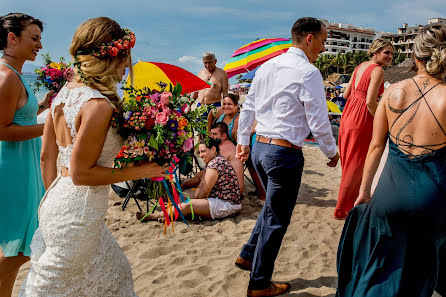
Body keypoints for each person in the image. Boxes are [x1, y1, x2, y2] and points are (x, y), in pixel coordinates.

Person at [18, 17, 168, 296]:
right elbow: (82, 173)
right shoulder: (98, 105)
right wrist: (141, 171)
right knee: (51, 287)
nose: (127, 66)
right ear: (112, 57)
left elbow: (47, 159)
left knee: (114, 271)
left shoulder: (62, 95)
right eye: (126, 58)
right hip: (79, 211)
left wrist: (54, 200)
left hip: (54, 200)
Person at [336, 23, 446, 296]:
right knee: (420, 265)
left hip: (389, 193)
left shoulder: (393, 91)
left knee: (382, 264)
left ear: (414, 56)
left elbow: (375, 147)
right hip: (434, 193)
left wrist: (364, 192)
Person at [235, 17, 339, 297]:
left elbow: (249, 107)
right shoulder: (308, 72)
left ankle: (248, 254)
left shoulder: (267, 66)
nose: (324, 46)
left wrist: (243, 141)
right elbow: (318, 122)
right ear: (309, 38)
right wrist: (331, 152)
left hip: (260, 147)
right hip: (283, 153)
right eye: (323, 39)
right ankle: (259, 283)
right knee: (277, 219)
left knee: (272, 207)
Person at [0, 13, 53, 297]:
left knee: (20, 244)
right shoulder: (6, 76)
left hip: (23, 164)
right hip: (12, 168)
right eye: (34, 38)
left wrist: (42, 107)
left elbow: (18, 119)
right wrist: (47, 127)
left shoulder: (15, 74)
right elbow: (2, 130)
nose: (39, 46)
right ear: (12, 38)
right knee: (22, 246)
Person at [334, 38, 394, 220]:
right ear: (375, 52)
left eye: (392, 53)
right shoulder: (378, 70)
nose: (390, 56)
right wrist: (381, 120)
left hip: (348, 114)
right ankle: (343, 209)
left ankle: (346, 203)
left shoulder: (360, 66)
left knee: (349, 160)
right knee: (358, 162)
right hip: (362, 117)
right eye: (387, 52)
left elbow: (345, 94)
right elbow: (370, 101)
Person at [141, 138, 241, 221]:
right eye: (200, 152)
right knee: (186, 194)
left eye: (203, 151)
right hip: (220, 199)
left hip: (227, 205)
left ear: (213, 149)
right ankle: (174, 214)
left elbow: (204, 192)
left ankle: (157, 216)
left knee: (189, 205)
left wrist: (192, 202)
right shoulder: (216, 160)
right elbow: (199, 181)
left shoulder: (215, 164)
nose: (201, 155)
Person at [209, 121, 244, 193]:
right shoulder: (223, 145)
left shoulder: (225, 149)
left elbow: (209, 171)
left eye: (214, 134)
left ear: (224, 136)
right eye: (211, 133)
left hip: (233, 192)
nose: (211, 137)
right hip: (233, 188)